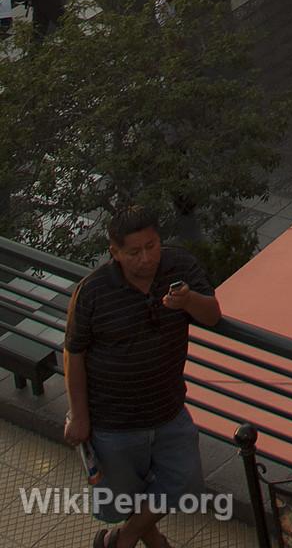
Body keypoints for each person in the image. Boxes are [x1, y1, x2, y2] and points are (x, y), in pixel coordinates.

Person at [63, 205, 221, 548]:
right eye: (134, 252)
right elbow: (74, 352)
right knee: (125, 495)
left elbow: (212, 315)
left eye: (152, 246)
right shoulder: (92, 290)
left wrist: (188, 300)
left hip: (168, 408)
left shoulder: (179, 265)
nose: (146, 258)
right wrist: (79, 416)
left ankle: (123, 538)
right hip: (113, 420)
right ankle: (148, 539)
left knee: (185, 481)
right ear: (114, 252)